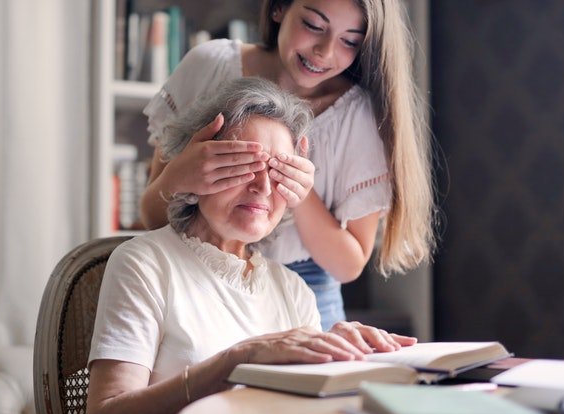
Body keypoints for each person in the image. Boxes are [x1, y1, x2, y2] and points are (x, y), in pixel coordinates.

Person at [86, 77, 416, 414]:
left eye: (279, 172)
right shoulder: (144, 265)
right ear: (200, 167)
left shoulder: (294, 291)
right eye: (244, 164)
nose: (262, 186)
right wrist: (239, 358)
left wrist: (345, 358)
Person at [140, 0, 436, 331]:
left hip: (307, 293)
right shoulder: (209, 66)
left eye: (349, 41)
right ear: (279, 8)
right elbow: (152, 218)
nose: (324, 52)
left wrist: (299, 191)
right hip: (197, 278)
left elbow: (348, 265)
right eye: (313, 25)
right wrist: (180, 175)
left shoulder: (357, 118)